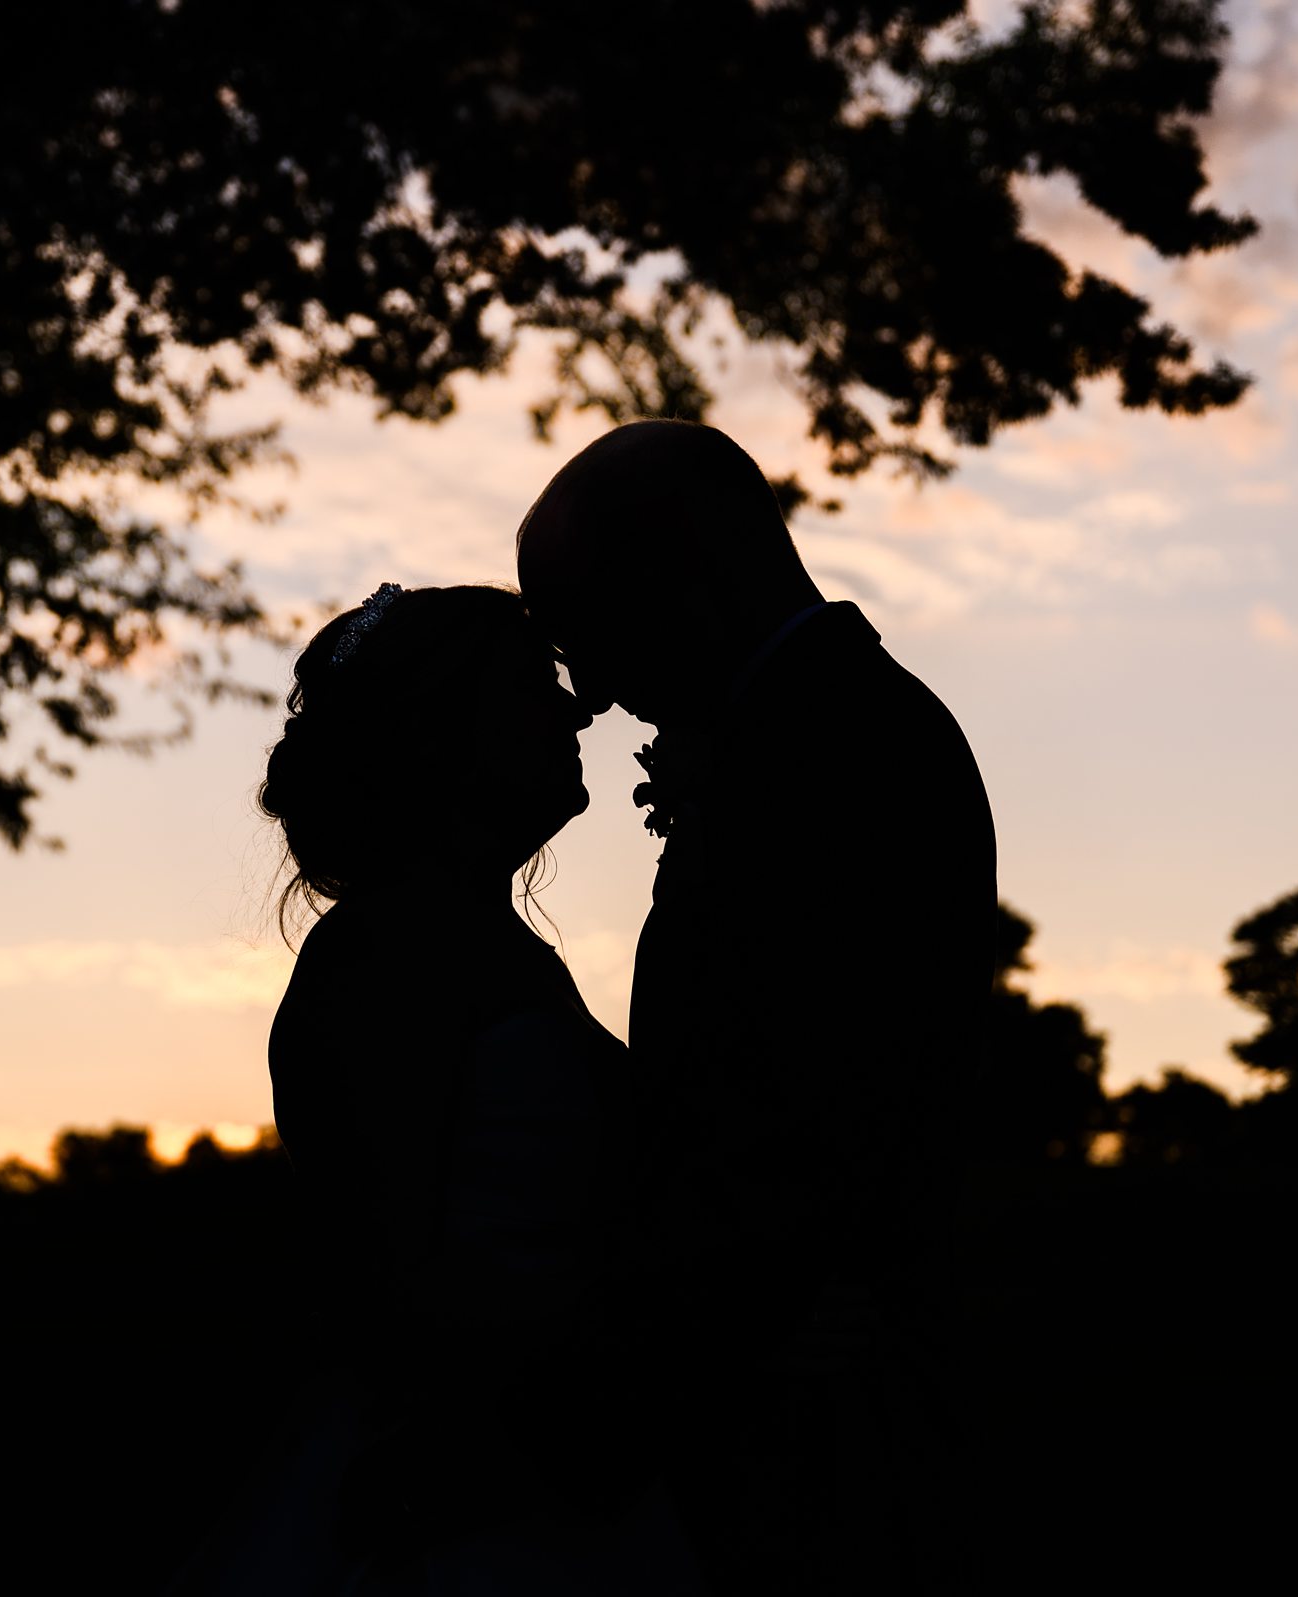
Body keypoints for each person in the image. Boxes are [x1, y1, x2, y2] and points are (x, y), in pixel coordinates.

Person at [516, 419, 998, 1591]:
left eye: (583, 628)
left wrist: (646, 1367)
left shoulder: (844, 746)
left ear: (683, 570)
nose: (587, 691)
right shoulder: (807, 726)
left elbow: (805, 1117)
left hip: (820, 1410)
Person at [173, 583, 701, 1594]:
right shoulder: (387, 959)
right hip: (470, 1480)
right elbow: (383, 1276)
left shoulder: (471, 939)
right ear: (447, 735)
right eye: (534, 685)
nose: (575, 709)